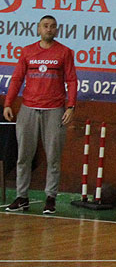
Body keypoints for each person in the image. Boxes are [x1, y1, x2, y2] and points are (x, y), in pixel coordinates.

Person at [3, 15, 77, 214]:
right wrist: (8, 103)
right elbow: (17, 78)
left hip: (54, 110)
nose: (49, 29)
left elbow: (71, 80)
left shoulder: (64, 52)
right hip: (28, 108)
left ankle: (50, 198)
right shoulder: (27, 51)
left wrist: (71, 106)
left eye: (52, 26)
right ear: (38, 29)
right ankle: (22, 197)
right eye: (45, 26)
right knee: (23, 156)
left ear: (56, 29)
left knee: (53, 157)